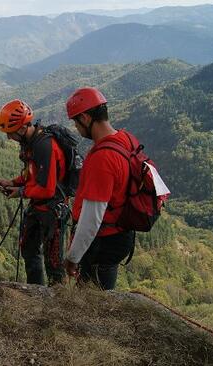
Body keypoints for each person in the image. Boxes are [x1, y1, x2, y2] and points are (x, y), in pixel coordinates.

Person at [63, 87, 137, 290]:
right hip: (122, 233)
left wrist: (73, 257)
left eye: (76, 122)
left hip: (102, 241)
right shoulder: (126, 139)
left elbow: (91, 218)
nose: (76, 129)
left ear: (86, 118)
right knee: (104, 292)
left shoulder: (101, 158)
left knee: (91, 304)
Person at [0, 99, 67, 286]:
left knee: (53, 264)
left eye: (10, 133)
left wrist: (20, 191)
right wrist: (13, 182)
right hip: (38, 205)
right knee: (28, 249)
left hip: (53, 209)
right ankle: (36, 293)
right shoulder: (30, 142)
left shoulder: (44, 145)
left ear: (20, 128)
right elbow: (32, 174)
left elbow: (47, 188)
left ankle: (57, 301)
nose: (9, 138)